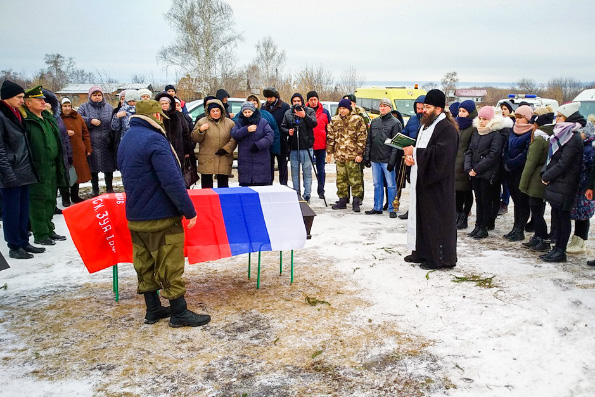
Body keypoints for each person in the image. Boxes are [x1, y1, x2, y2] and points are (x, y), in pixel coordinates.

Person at [118, 99, 209, 328]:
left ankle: (153, 308)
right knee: (169, 263)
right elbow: (172, 181)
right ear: (157, 117)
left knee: (145, 263)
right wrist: (188, 210)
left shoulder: (127, 138)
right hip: (160, 216)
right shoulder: (155, 140)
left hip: (136, 215)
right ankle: (179, 312)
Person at [402, 89, 458, 270]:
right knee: (421, 217)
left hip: (437, 184)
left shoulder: (446, 129)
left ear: (439, 109)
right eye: (423, 107)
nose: (423, 110)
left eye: (427, 107)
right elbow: (421, 149)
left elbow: (441, 156)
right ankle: (422, 252)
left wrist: (415, 153)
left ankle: (438, 259)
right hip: (422, 180)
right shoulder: (425, 125)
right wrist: (411, 158)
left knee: (435, 220)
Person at [0, 80, 44, 259]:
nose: (21, 100)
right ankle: (14, 245)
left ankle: (24, 241)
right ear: (8, 97)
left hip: (24, 169)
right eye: (18, 97)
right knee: (11, 211)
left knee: (23, 209)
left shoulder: (16, 112)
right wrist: (7, 174)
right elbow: (1, 149)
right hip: (11, 171)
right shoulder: (2, 115)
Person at [21, 86, 68, 246]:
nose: (43, 102)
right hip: (36, 167)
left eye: (43, 99)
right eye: (38, 99)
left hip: (52, 165)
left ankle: (49, 229)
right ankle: (40, 233)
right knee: (37, 200)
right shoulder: (26, 121)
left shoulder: (47, 118)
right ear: (28, 103)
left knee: (50, 199)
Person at [539, 102, 585, 262]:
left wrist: (547, 176)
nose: (556, 119)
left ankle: (561, 250)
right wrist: (545, 172)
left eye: (559, 116)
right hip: (557, 182)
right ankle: (557, 248)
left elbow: (564, 163)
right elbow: (552, 157)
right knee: (557, 216)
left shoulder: (573, 137)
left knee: (563, 217)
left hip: (566, 183)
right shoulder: (561, 134)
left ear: (568, 118)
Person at [519, 106, 556, 252]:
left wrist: (522, 185)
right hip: (540, 179)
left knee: (536, 210)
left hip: (535, 181)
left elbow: (530, 163)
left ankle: (542, 237)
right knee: (537, 210)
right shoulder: (549, 138)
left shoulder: (540, 140)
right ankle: (538, 237)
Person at [464, 106, 503, 239]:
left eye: (485, 119)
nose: (481, 121)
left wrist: (476, 169)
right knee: (478, 200)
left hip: (487, 174)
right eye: (480, 119)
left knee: (486, 201)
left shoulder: (495, 135)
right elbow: (469, 151)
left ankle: (484, 226)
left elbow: (493, 155)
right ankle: (477, 225)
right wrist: (469, 168)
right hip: (475, 173)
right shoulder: (476, 133)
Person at [326, 98, 367, 212]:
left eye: (344, 108)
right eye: (340, 108)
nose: (342, 110)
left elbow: (362, 138)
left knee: (355, 179)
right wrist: (329, 152)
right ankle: (342, 199)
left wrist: (360, 153)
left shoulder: (357, 120)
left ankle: (356, 201)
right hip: (340, 154)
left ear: (349, 109)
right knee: (341, 179)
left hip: (353, 155)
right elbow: (330, 137)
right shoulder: (335, 120)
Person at [364, 98, 402, 218]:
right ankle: (377, 207)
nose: (382, 108)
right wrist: (367, 156)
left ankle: (392, 208)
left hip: (387, 159)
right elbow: (369, 140)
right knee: (377, 184)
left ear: (390, 108)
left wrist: (392, 161)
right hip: (375, 159)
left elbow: (397, 144)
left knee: (391, 185)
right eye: (381, 106)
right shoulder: (375, 122)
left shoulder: (395, 123)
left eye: (385, 106)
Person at [77, 86, 116, 196]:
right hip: (91, 141)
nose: (97, 97)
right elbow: (77, 117)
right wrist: (89, 120)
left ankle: (109, 188)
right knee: (93, 167)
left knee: (108, 167)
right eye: (94, 95)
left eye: (99, 95)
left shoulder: (109, 107)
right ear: (90, 96)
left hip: (106, 142)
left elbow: (113, 121)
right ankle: (95, 189)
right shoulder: (84, 107)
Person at [502, 105, 533, 242]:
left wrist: (513, 162)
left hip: (521, 171)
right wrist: (507, 161)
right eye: (517, 117)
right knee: (516, 201)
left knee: (522, 201)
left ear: (527, 118)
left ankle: (520, 229)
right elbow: (507, 148)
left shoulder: (530, 132)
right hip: (510, 171)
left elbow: (527, 153)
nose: (518, 120)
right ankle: (515, 227)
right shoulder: (513, 131)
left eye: (521, 117)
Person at [192, 99, 237, 188]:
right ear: (209, 112)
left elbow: (234, 139)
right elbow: (195, 138)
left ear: (221, 111)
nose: (215, 113)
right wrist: (200, 130)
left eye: (217, 111)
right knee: (206, 185)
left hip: (224, 157)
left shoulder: (230, 123)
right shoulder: (202, 122)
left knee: (223, 185)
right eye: (213, 111)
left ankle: (223, 201)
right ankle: (207, 202)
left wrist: (226, 149)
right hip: (207, 157)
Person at [281, 93, 317, 201]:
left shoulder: (309, 111)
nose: (296, 103)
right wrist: (288, 131)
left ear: (302, 102)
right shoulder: (288, 113)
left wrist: (304, 116)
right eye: (294, 101)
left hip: (306, 146)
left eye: (298, 101)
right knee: (295, 172)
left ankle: (307, 194)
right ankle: (296, 193)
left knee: (307, 172)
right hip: (293, 147)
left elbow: (314, 123)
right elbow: (282, 127)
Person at [566, 119, 595, 254]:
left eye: (581, 132)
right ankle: (576, 239)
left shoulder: (590, 148)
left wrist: (586, 186)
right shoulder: (582, 145)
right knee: (578, 214)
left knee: (584, 215)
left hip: (585, 187)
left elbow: (590, 170)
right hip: (578, 186)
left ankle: (581, 241)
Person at [42, 89, 73, 210]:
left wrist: (69, 154)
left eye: (47, 102)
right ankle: (50, 205)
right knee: (49, 184)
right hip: (48, 157)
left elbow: (65, 137)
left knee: (59, 179)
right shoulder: (41, 118)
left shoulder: (57, 118)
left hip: (61, 154)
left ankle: (54, 205)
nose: (45, 104)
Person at [231, 101, 274, 186]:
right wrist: (246, 130)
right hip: (245, 160)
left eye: (249, 112)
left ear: (253, 112)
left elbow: (270, 136)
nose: (247, 114)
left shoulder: (263, 122)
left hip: (261, 158)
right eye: (245, 112)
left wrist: (258, 145)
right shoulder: (239, 122)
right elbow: (234, 134)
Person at [397, 94, 426, 219]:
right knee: (412, 185)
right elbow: (405, 132)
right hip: (410, 158)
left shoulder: (430, 121)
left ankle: (422, 212)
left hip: (422, 157)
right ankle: (412, 209)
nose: (419, 111)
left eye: (422, 108)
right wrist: (400, 140)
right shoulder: (413, 120)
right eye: (417, 108)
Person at [60, 97, 92, 204]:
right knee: (65, 174)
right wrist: (64, 132)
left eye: (69, 106)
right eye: (65, 106)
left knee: (76, 174)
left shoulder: (77, 117)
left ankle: (75, 196)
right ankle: (65, 198)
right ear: (61, 107)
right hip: (64, 150)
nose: (67, 108)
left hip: (78, 149)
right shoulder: (57, 118)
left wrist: (88, 147)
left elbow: (85, 133)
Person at [454, 100, 477, 229]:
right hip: (455, 163)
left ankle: (464, 216)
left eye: (464, 111)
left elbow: (472, 147)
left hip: (466, 164)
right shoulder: (457, 125)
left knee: (466, 191)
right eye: (460, 111)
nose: (461, 114)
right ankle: (457, 214)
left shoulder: (473, 127)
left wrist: (468, 163)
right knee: (457, 191)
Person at [156, 92, 193, 170]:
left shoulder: (177, 115)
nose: (164, 105)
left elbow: (185, 133)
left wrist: (187, 150)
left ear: (170, 104)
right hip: (160, 151)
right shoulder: (156, 116)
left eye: (166, 103)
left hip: (178, 151)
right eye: (162, 103)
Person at [262, 87, 290, 185]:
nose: (269, 100)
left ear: (276, 96)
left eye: (271, 97)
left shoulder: (285, 107)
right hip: (268, 140)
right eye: (267, 98)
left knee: (282, 165)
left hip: (281, 140)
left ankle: (283, 185)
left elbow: (287, 122)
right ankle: (269, 184)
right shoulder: (264, 107)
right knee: (269, 165)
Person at [306, 91, 330, 199]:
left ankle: (321, 190)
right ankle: (307, 191)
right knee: (307, 169)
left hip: (321, 145)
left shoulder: (325, 112)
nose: (313, 101)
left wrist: (329, 145)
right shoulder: (304, 111)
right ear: (308, 101)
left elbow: (329, 129)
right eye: (311, 99)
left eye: (315, 99)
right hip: (308, 145)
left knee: (321, 169)